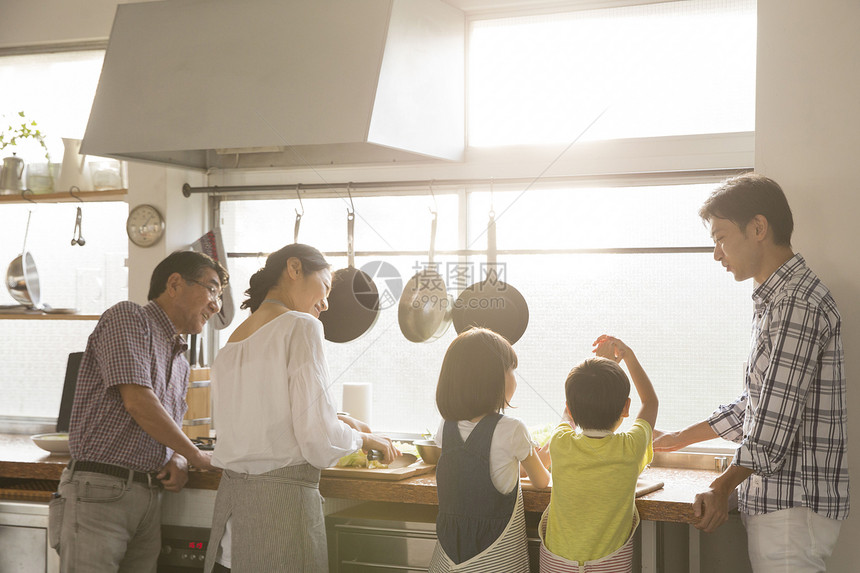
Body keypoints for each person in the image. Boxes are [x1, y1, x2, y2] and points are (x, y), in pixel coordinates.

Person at [653, 173, 848, 571]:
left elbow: (771, 424)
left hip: (792, 508)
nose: (717, 254)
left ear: (758, 228)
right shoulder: (777, 301)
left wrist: (722, 486)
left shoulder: (797, 304)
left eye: (721, 238)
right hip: (782, 504)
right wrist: (677, 439)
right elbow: (756, 405)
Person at [202, 243, 399, 573]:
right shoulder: (301, 326)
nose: (324, 304)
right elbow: (318, 442)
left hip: (231, 515)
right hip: (279, 512)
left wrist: (335, 417)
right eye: (325, 287)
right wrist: (364, 438)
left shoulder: (231, 345)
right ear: (294, 269)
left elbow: (267, 417)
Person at [53, 250, 228, 572]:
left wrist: (175, 456)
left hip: (148, 494)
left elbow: (163, 421)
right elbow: (138, 401)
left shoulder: (178, 356)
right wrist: (195, 455)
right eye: (213, 289)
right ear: (174, 283)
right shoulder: (129, 318)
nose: (217, 305)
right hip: (101, 490)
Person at [428, 327, 550, 573]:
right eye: (511, 370)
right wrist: (547, 457)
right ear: (493, 379)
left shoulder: (446, 426)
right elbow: (540, 481)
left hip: (446, 560)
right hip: (496, 561)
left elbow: (468, 473)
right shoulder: (513, 429)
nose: (515, 377)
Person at [540, 335, 658, 572]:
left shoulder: (560, 442)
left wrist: (599, 367)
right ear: (626, 407)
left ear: (571, 406)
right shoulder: (631, 448)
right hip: (610, 565)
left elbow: (568, 413)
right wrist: (627, 356)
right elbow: (650, 402)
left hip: (556, 564)